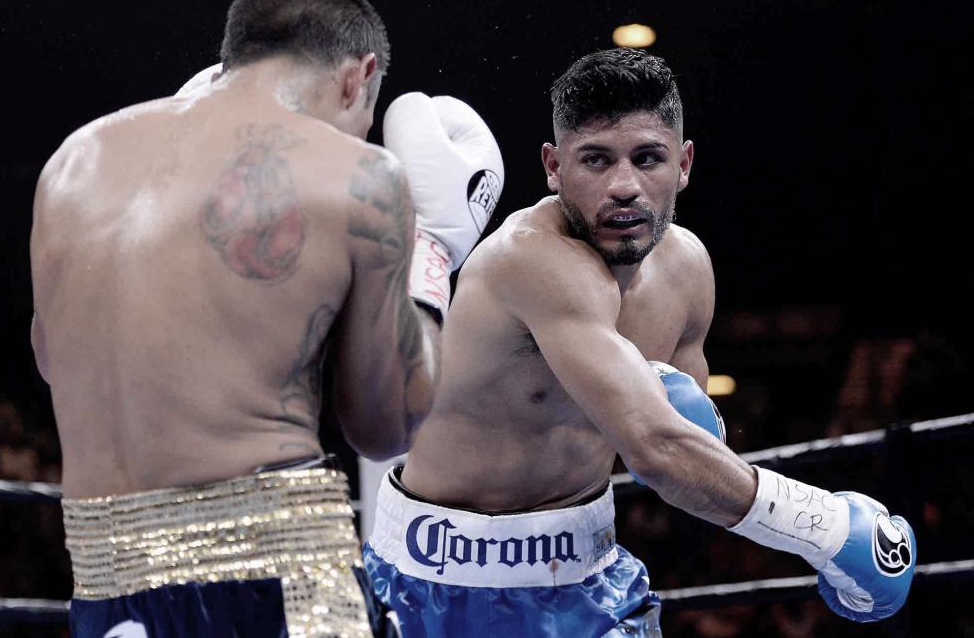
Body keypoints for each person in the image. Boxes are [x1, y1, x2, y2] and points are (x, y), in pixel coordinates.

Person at [362, 48, 915, 637]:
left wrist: (690, 432)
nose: (623, 186)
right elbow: (658, 450)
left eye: (647, 158)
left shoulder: (687, 271)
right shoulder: (527, 259)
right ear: (553, 167)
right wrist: (827, 527)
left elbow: (687, 450)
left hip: (589, 579)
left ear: (684, 163)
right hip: (439, 586)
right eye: (595, 161)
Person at [29, 0, 503, 638]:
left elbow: (55, 361)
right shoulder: (362, 173)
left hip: (107, 579)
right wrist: (431, 256)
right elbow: (385, 422)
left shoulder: (71, 164)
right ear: (358, 76)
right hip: (280, 569)